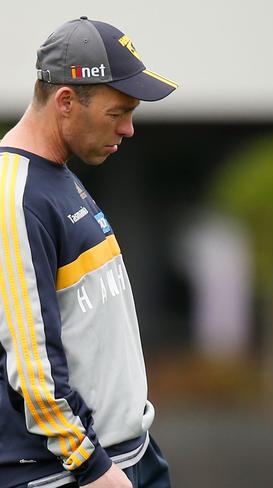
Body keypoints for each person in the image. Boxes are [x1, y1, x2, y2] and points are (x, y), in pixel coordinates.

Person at [0, 17, 178, 488]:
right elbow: (33, 365)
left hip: (128, 453)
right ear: (65, 102)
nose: (129, 128)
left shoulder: (56, 174)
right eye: (117, 112)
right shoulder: (14, 195)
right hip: (72, 475)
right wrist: (94, 469)